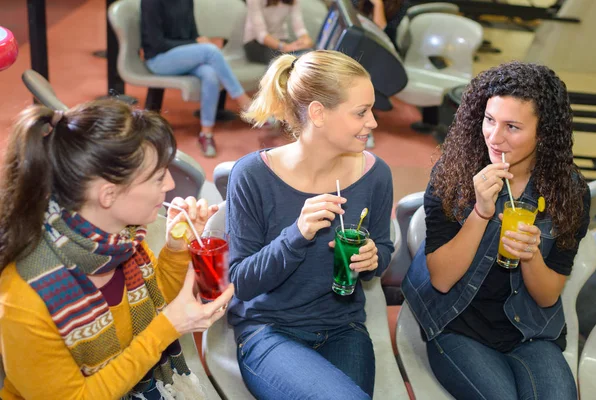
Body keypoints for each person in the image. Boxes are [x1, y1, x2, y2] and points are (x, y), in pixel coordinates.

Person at [0, 100, 234, 399]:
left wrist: (176, 249)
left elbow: (153, 303)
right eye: (159, 176)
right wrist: (168, 328)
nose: (172, 184)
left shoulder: (119, 240)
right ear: (108, 194)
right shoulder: (24, 296)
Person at [402, 61, 590, 400]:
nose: (494, 136)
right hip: (457, 323)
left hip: (528, 331)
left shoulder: (569, 192)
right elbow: (442, 279)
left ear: (543, 131)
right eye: (490, 120)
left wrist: (530, 254)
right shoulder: (454, 173)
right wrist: (480, 212)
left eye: (512, 127)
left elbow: (547, 296)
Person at [226, 49, 394, 399]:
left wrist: (373, 259)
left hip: (343, 327)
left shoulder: (376, 175)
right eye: (361, 112)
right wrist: (296, 235)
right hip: (270, 330)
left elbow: (383, 251)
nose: (373, 122)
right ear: (318, 113)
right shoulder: (252, 175)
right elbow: (241, 283)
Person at [141, 0, 254, 157]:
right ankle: (243, 100)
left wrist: (196, 41)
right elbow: (156, 43)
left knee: (210, 74)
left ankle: (206, 134)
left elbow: (192, 32)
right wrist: (195, 43)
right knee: (211, 50)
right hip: (158, 59)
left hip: (182, 55)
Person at [244, 0, 314, 65]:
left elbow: (299, 28)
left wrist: (305, 40)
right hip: (256, 44)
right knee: (282, 59)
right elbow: (261, 35)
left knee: (309, 53)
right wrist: (285, 47)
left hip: (282, 41)